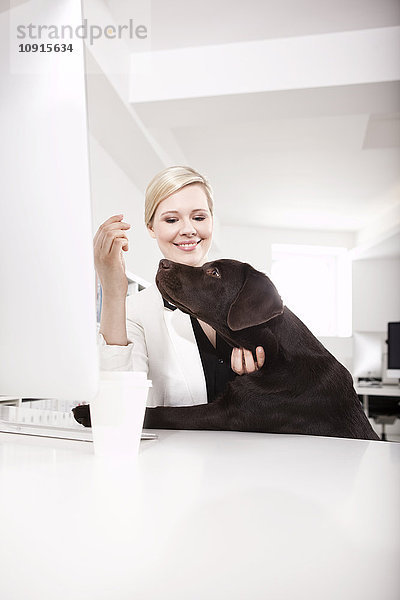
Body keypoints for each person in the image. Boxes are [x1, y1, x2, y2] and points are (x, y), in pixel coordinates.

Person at [94, 165, 265, 407]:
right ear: (151, 228)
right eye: (172, 219)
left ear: (212, 221)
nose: (188, 230)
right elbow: (118, 405)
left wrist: (261, 378)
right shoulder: (136, 312)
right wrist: (112, 292)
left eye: (199, 217)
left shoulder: (248, 296)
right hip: (176, 446)